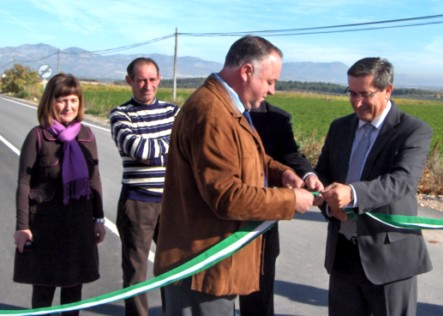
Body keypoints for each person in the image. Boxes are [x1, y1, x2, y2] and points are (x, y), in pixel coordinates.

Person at [154, 35, 320, 316]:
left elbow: (249, 156)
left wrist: (283, 174)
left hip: (212, 265)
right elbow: (227, 196)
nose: (273, 91)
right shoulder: (212, 113)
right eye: (270, 82)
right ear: (246, 72)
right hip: (202, 269)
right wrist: (290, 200)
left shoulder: (227, 106)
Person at [315, 57, 433, 316]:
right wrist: (324, 197)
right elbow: (324, 171)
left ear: (387, 90)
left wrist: (352, 194)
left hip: (389, 257)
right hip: (343, 252)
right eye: (352, 94)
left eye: (365, 95)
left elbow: (401, 181)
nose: (357, 103)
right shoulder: (340, 127)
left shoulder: (413, 131)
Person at [13, 73, 106, 316]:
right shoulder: (38, 136)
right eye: (62, 100)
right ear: (50, 102)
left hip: (78, 225)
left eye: (74, 100)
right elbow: (24, 182)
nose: (68, 106)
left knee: (73, 292)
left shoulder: (86, 135)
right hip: (44, 227)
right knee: (43, 291)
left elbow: (94, 179)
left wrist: (98, 219)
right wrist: (22, 226)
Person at [239, 100, 323, 316]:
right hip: (217, 224)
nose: (272, 90)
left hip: (261, 223)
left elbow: (290, 155)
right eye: (268, 81)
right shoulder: (218, 111)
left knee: (258, 300)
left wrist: (307, 175)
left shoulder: (277, 118)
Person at [109, 57, 179, 316]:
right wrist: (171, 143)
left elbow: (187, 147)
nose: (147, 86)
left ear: (159, 79)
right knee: (135, 273)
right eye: (140, 80)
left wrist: (170, 146)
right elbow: (141, 151)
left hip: (172, 203)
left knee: (173, 268)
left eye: (152, 80)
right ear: (130, 81)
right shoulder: (120, 115)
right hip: (137, 203)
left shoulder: (173, 111)